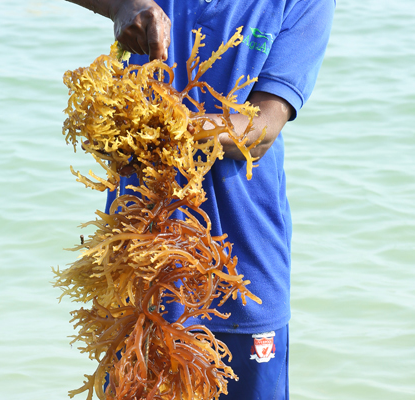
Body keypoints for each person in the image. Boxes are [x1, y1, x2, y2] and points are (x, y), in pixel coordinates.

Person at [67, 0, 335, 398]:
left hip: (243, 267)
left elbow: (262, 127)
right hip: (139, 262)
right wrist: (119, 5)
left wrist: (166, 127)